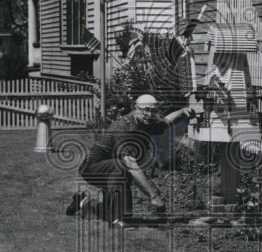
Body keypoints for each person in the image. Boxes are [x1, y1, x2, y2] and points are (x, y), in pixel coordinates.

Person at [68, 94, 195, 224]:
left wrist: (182, 112)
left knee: (111, 208)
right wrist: (153, 196)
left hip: (111, 170)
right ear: (135, 108)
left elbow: (166, 122)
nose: (149, 114)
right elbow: (131, 165)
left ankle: (83, 203)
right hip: (92, 169)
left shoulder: (146, 122)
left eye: (153, 110)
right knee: (122, 166)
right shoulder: (125, 128)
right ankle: (117, 220)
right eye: (145, 110)